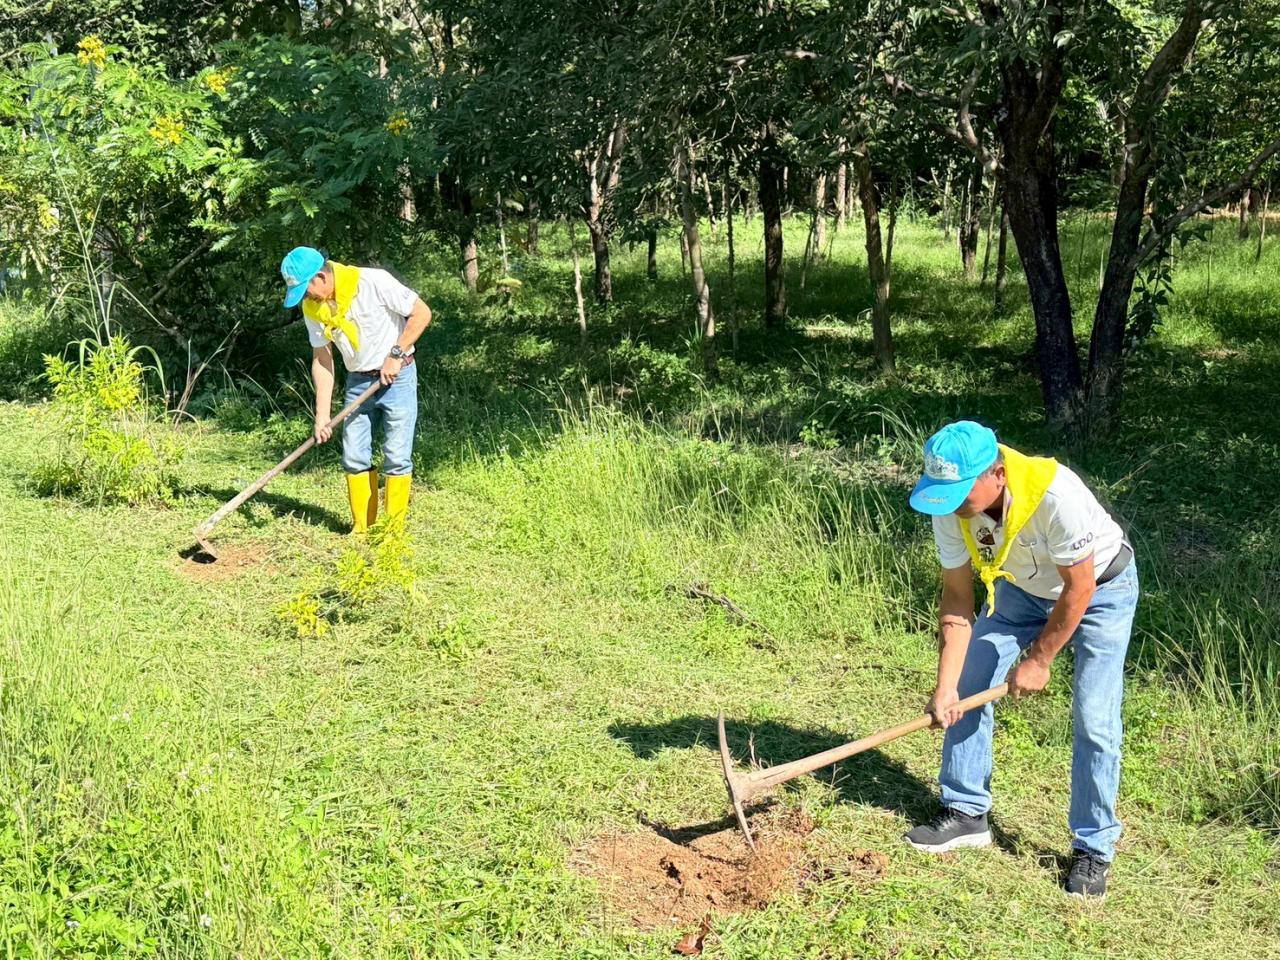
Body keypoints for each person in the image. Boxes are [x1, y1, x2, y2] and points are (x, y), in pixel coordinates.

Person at [904, 420, 1138, 899]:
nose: (951, 506)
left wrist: (1040, 658)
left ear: (996, 475)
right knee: (969, 681)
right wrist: (946, 686)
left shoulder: (1057, 497)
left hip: (1101, 592)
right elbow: (956, 601)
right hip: (1024, 592)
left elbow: (1080, 589)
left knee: (1094, 718)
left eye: (960, 494)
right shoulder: (949, 507)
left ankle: (1093, 849)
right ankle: (967, 812)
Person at [280, 246, 432, 532]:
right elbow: (322, 359)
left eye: (306, 289)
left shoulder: (373, 282)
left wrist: (395, 354)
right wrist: (322, 415)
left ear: (320, 277)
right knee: (353, 456)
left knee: (396, 457)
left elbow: (422, 313)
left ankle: (392, 533)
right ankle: (362, 529)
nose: (306, 297)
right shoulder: (314, 307)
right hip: (358, 382)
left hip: (398, 377)